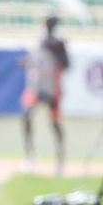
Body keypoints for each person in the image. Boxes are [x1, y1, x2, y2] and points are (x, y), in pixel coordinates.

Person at [19, 13, 70, 176]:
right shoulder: (39, 39)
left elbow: (67, 63)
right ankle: (30, 155)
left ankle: (60, 157)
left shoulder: (58, 42)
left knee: (54, 123)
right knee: (26, 115)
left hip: (52, 87)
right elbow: (37, 59)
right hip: (36, 86)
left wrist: (56, 51)